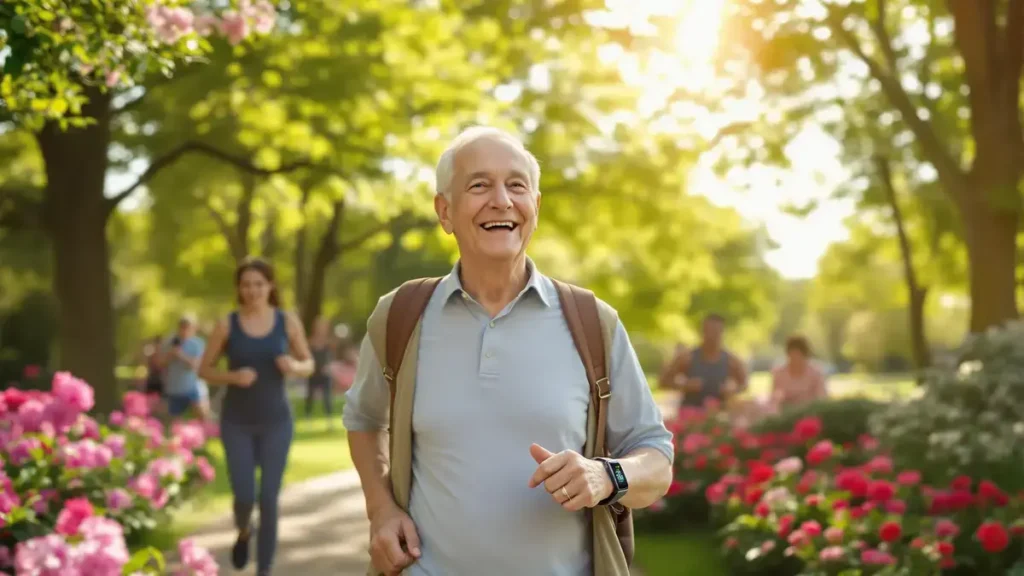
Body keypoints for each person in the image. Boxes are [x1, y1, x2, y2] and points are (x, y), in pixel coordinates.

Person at [343, 126, 674, 576]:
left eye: (516, 185)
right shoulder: (399, 316)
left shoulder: (594, 322)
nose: (501, 200)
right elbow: (363, 421)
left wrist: (606, 476)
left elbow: (655, 456)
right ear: (445, 211)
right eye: (479, 185)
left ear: (534, 207)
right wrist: (380, 510)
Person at [198, 257, 314, 576]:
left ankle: (265, 569)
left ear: (270, 286)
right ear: (239, 288)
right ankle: (243, 530)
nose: (252, 291)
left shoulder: (286, 321)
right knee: (245, 494)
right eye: (246, 285)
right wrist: (233, 377)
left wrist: (293, 365)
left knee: (268, 498)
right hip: (237, 422)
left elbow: (309, 363)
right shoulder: (227, 325)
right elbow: (204, 369)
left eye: (258, 284)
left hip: (276, 422)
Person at [658, 313, 748, 408]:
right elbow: (663, 382)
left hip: (720, 413)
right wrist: (686, 385)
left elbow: (744, 384)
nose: (712, 335)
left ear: (722, 332)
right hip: (690, 414)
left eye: (716, 331)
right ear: (702, 332)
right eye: (708, 330)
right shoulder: (686, 357)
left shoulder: (732, 360)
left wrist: (732, 389)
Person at [156, 314, 207, 419]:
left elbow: (197, 366)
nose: (184, 330)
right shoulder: (169, 342)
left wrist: (181, 355)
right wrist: (170, 355)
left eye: (188, 327)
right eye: (182, 327)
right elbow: (159, 363)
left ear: (194, 328)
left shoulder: (198, 344)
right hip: (174, 388)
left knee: (202, 415)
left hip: (193, 387)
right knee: (174, 420)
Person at [770, 335, 827, 411]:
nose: (796, 359)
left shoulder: (816, 373)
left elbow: (822, 398)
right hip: (786, 413)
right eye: (792, 355)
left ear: (805, 356)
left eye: (799, 355)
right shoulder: (779, 373)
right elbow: (775, 398)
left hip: (810, 412)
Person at [305, 316, 335, 427]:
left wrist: (328, 367)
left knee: (327, 397)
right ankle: (308, 419)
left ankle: (329, 420)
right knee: (310, 397)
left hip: (325, 374)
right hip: (312, 373)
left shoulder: (328, 342)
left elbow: (331, 357)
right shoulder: (310, 342)